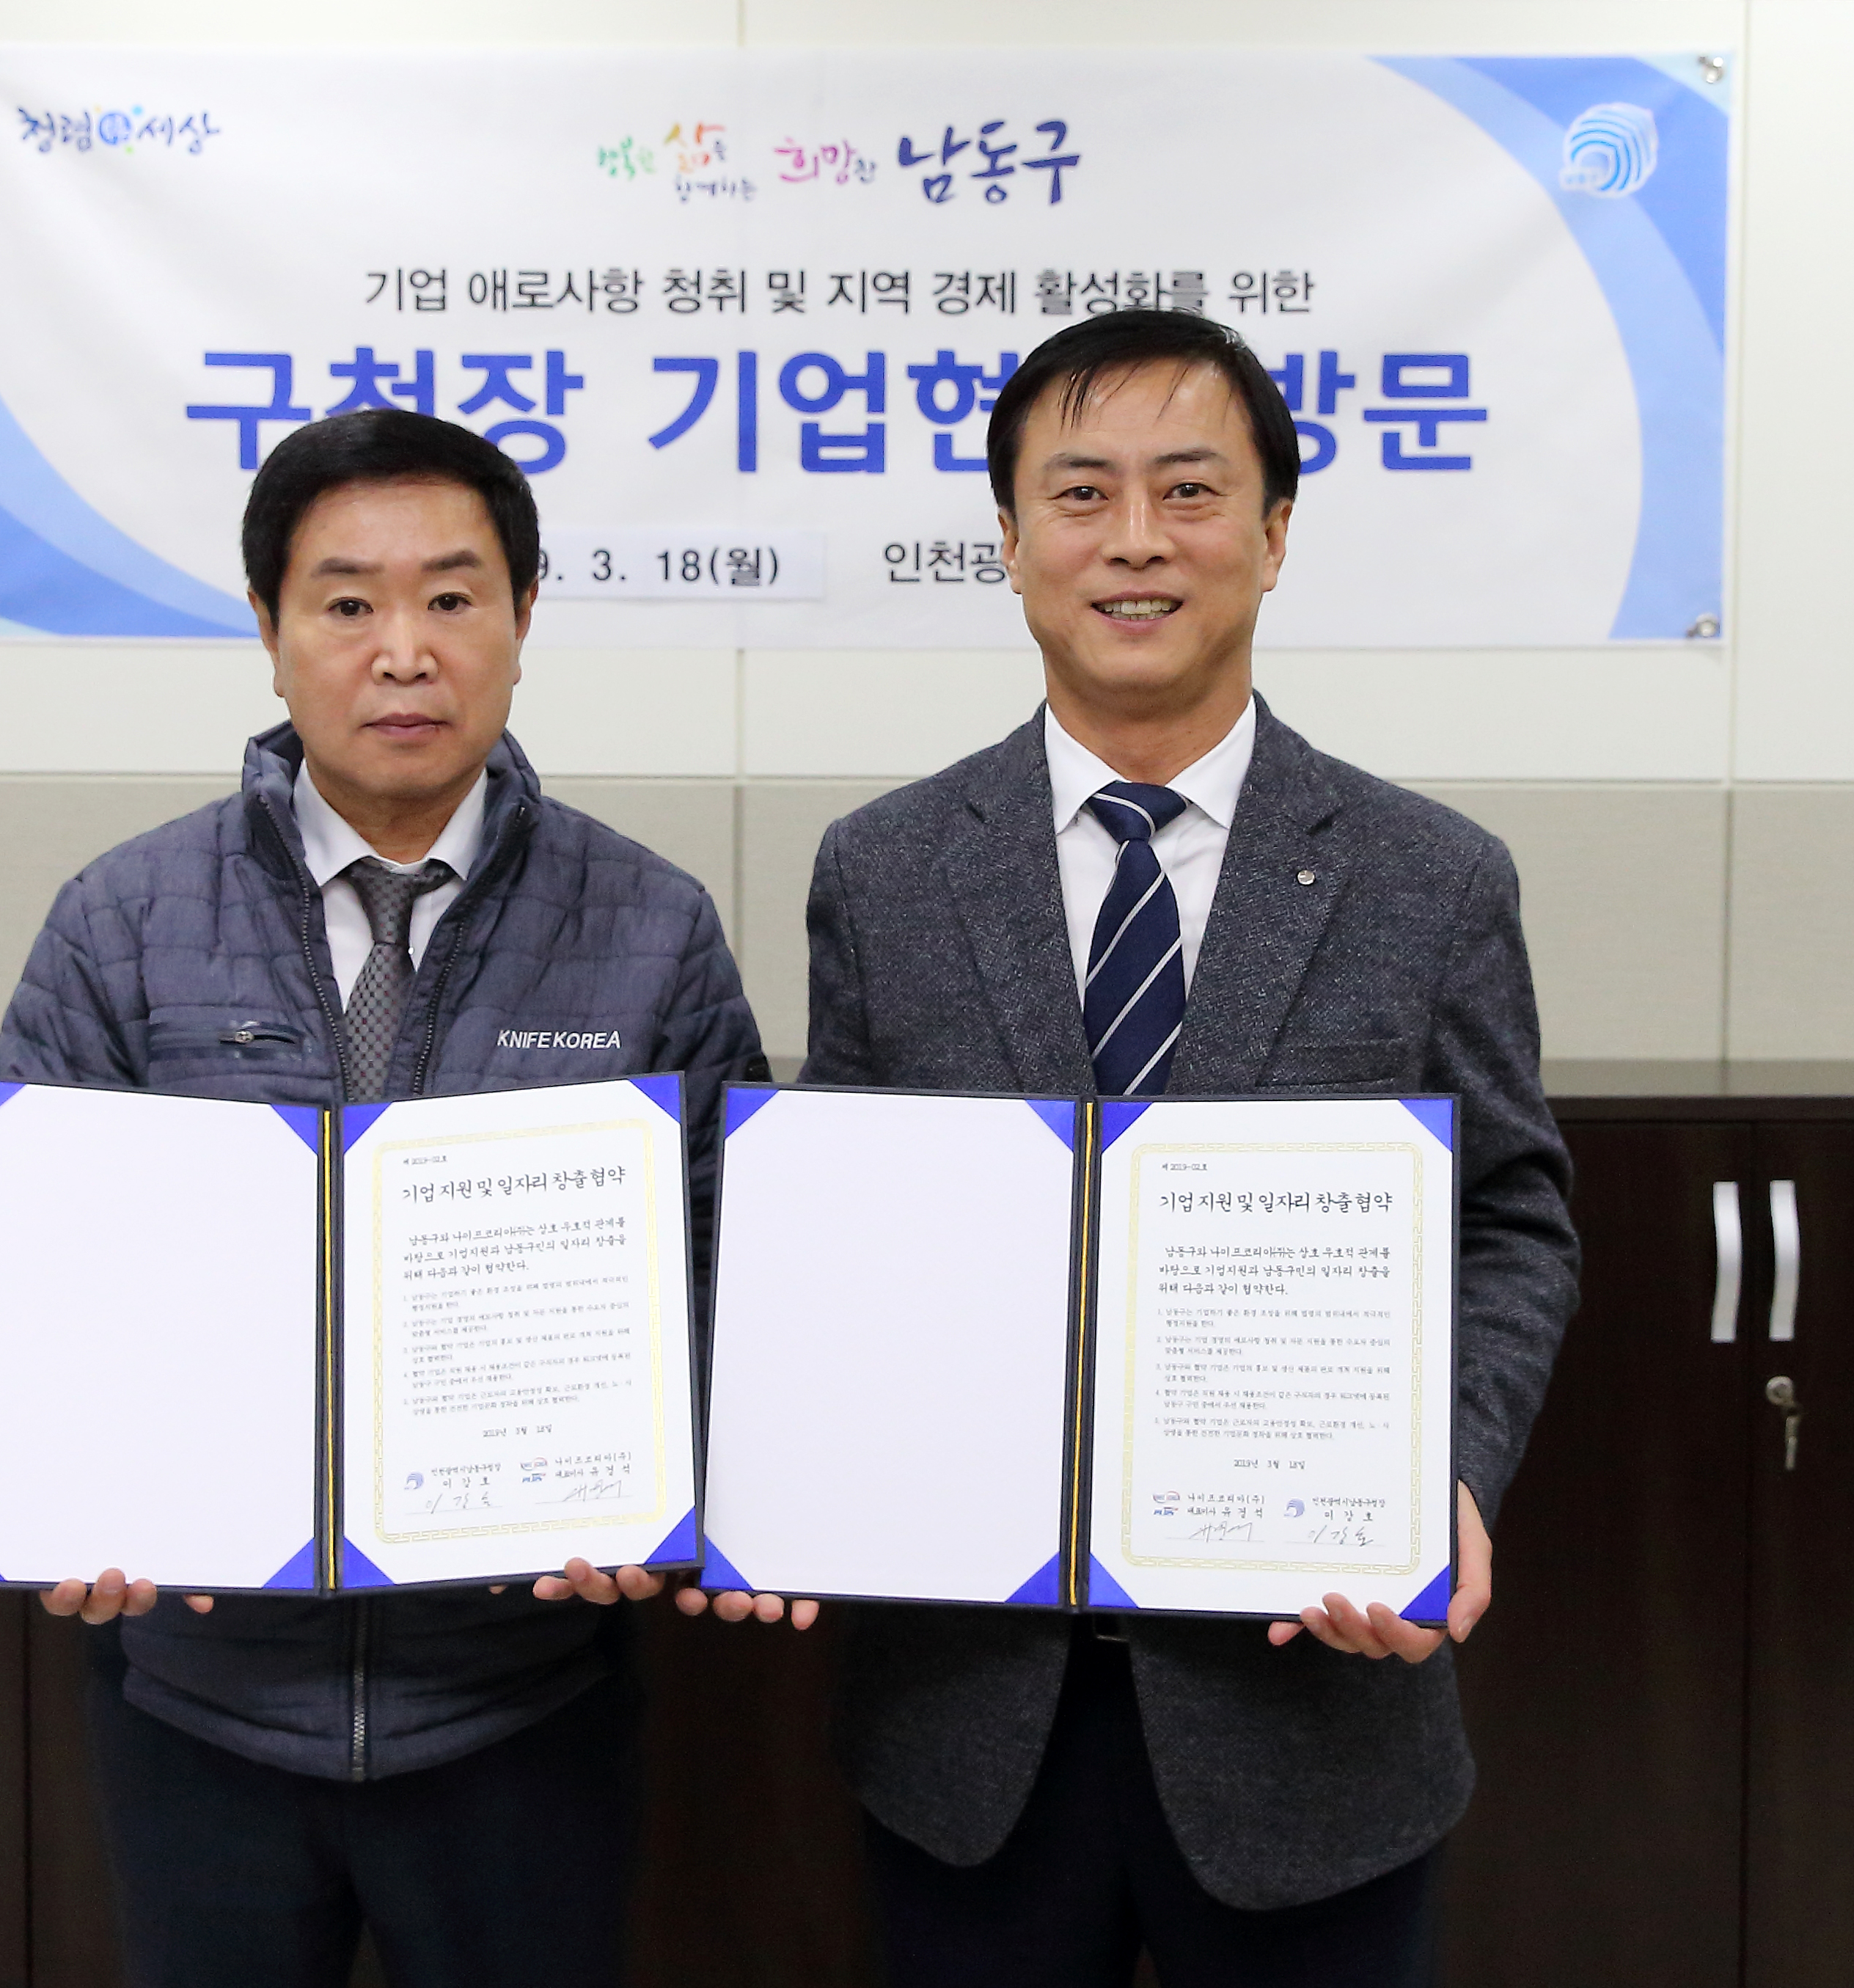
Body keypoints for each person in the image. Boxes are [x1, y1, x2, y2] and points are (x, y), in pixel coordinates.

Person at [679, 310, 1580, 1984]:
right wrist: (775, 1478)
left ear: (1274, 533)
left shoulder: (1427, 875)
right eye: (1081, 492)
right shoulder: (885, 868)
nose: (1136, 539)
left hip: (1307, 1710)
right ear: (1009, 538)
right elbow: (840, 1227)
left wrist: (1445, 1479)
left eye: (1190, 489)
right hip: (966, 1717)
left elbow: (1510, 1217)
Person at [0, 406, 766, 1988]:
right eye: (346, 601)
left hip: (522, 1696)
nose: (402, 651)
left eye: (452, 596)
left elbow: (728, 1268)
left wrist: (667, 1498)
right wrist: (62, 1495)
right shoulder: (121, 919)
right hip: (198, 1693)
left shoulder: (648, 923)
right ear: (268, 627)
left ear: (523, 617)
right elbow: (39, 1277)